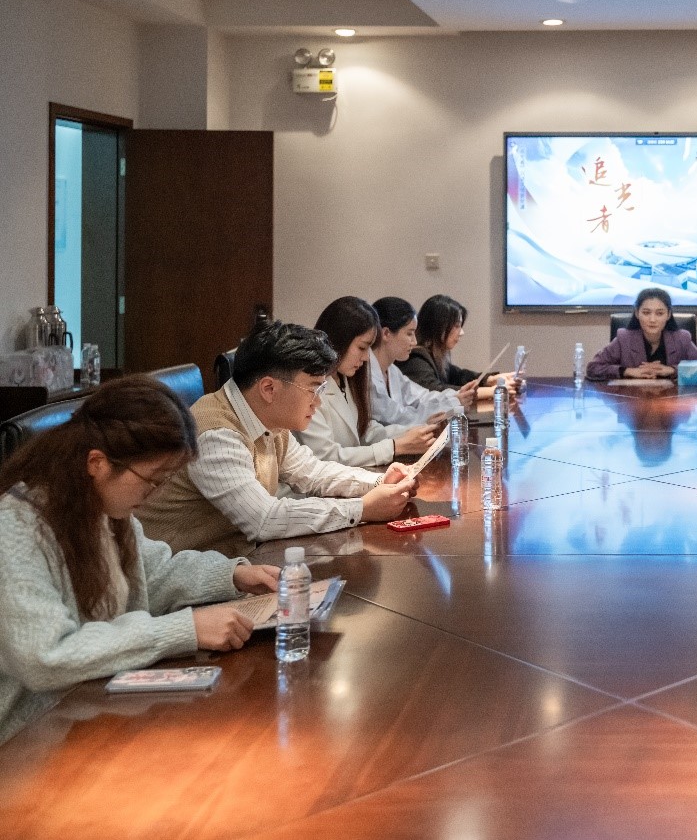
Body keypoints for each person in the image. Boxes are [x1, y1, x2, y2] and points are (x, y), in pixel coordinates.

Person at [0, 376, 280, 745]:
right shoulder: (15, 528)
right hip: (30, 738)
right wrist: (184, 629)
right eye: (152, 480)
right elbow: (46, 656)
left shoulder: (102, 508)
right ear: (97, 463)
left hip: (96, 708)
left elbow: (156, 574)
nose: (155, 494)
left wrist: (233, 576)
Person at [136, 321, 418, 557]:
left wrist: (378, 482)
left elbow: (312, 472)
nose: (318, 402)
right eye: (313, 389)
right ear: (269, 388)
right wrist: (362, 508)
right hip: (184, 578)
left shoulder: (266, 418)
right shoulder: (216, 436)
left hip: (237, 560)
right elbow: (264, 519)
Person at [295, 296, 449, 467]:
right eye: (362, 347)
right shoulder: (308, 386)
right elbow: (325, 457)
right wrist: (394, 447)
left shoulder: (345, 378)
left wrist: (415, 431)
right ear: (339, 340)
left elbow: (365, 431)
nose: (367, 357)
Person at [370, 297, 475, 427]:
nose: (414, 342)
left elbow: (421, 397)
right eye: (409, 334)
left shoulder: (392, 370)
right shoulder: (368, 376)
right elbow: (395, 417)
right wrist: (452, 402)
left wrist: (456, 396)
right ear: (386, 333)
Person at [398, 294, 514, 400]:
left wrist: (489, 380)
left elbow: (458, 375)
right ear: (440, 326)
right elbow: (435, 391)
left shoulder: (436, 354)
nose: (461, 332)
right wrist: (492, 391)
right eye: (457, 326)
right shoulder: (416, 358)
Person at [586, 287, 697, 380]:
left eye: (659, 313)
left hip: (673, 402)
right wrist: (627, 371)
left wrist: (673, 370)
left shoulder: (682, 338)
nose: (652, 320)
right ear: (637, 313)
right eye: (646, 313)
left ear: (668, 315)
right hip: (632, 401)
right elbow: (593, 368)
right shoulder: (624, 339)